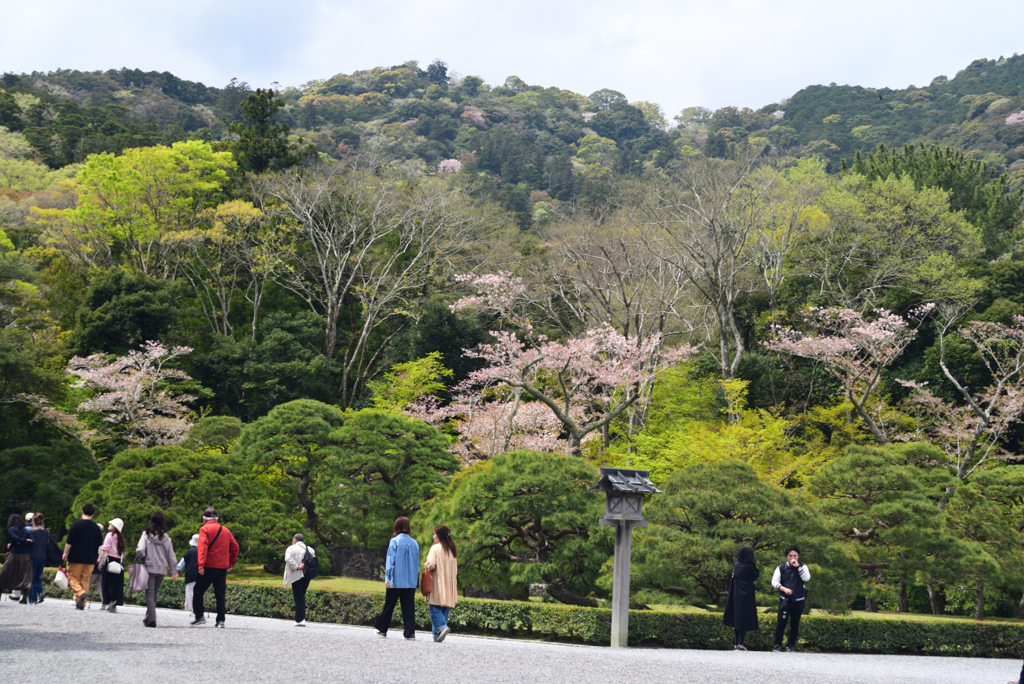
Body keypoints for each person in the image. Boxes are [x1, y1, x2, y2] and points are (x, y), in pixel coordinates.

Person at [191, 507, 238, 628]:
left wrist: (200, 565)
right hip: (222, 567)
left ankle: (200, 616)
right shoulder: (225, 530)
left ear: (204, 518)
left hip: (208, 566)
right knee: (220, 594)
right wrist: (231, 562)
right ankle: (221, 620)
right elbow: (235, 547)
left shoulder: (204, 529)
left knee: (198, 590)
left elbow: (202, 548)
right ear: (216, 518)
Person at [374, 516, 420, 639]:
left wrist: (387, 578)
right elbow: (416, 564)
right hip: (410, 581)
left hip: (395, 580)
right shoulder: (415, 543)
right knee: (409, 608)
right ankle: (410, 633)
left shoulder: (394, 541)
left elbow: (390, 561)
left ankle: (383, 630)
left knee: (389, 605)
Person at [138, 511, 178, 628]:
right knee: (154, 593)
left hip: (149, 568)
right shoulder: (167, 538)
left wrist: (143, 557)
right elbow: (172, 556)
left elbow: (140, 549)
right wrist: (174, 570)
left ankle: (152, 619)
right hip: (162, 569)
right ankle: (148, 617)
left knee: (149, 594)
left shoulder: (146, 535)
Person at [62, 503, 104, 610]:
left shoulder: (76, 524)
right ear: (93, 514)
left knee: (71, 577)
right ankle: (82, 604)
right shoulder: (96, 527)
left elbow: (69, 541)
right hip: (90, 558)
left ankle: (80, 593)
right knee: (85, 580)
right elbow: (100, 543)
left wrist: (65, 552)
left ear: (82, 512)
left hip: (76, 557)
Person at [772, 545, 811, 652]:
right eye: (790, 555)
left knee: (795, 623)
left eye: (795, 555)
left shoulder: (803, 567)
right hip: (785, 599)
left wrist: (798, 567)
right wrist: (783, 589)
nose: (792, 557)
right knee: (781, 622)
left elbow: (806, 578)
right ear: (786, 557)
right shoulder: (781, 568)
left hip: (798, 599)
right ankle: (777, 645)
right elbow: (774, 581)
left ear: (798, 556)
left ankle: (790, 645)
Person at [423, 525, 458, 643]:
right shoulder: (452, 549)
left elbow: (431, 564)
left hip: (438, 581)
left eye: (434, 534)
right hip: (450, 582)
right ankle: (436, 635)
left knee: (434, 607)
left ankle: (442, 627)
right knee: (444, 608)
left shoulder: (435, 548)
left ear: (439, 536)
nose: (433, 536)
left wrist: (426, 565)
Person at [723, 546, 760, 651]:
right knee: (744, 619)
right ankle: (740, 643)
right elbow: (756, 575)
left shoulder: (736, 566)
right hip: (747, 596)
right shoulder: (750, 567)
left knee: (737, 619)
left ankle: (736, 643)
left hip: (735, 595)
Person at [283, 533, 315, 626]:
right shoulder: (310, 549)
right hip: (307, 575)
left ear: (295, 540)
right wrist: (305, 565)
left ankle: (300, 619)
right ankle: (301, 618)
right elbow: (312, 562)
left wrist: (297, 567)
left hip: (296, 575)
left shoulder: (291, 548)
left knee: (298, 597)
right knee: (302, 595)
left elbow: (288, 559)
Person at [0, 513, 33, 602]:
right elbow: (31, 541)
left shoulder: (11, 529)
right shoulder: (26, 531)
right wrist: (25, 541)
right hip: (25, 555)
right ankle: (24, 598)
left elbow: (15, 538)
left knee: (4, 573)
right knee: (24, 575)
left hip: (14, 554)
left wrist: (20, 541)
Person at [97, 518, 125, 613]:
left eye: (111, 524)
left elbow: (105, 549)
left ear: (115, 527)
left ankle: (109, 602)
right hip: (118, 563)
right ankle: (114, 604)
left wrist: (100, 562)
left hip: (110, 561)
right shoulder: (121, 537)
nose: (109, 525)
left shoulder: (110, 535)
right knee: (115, 583)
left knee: (106, 582)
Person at [176, 534, 200, 619]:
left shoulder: (189, 552)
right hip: (201, 574)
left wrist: (176, 569)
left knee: (190, 592)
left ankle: (192, 609)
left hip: (190, 574)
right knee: (199, 592)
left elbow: (182, 563)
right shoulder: (204, 551)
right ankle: (198, 609)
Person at [28, 514, 50, 604]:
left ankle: (33, 599)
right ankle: (40, 591)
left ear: (33, 521)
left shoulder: (31, 533)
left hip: (33, 557)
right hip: (43, 557)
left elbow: (29, 545)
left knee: (31, 579)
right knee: (38, 577)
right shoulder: (46, 532)